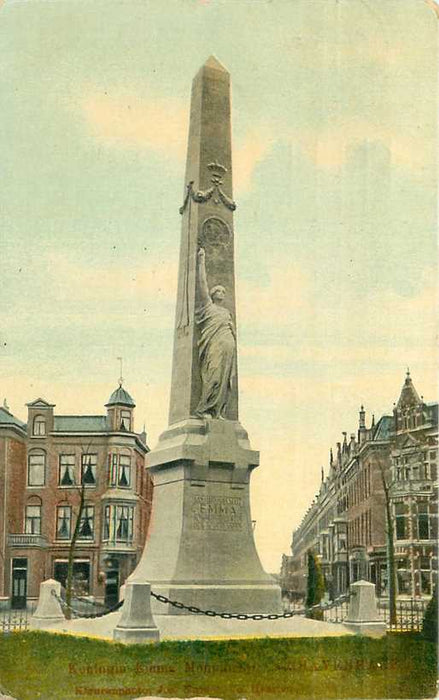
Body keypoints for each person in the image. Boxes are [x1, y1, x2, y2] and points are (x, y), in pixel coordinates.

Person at [195, 247, 236, 419]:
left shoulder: (226, 312)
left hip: (228, 348)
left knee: (225, 381)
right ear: (212, 294)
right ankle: (203, 409)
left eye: (224, 291)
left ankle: (218, 411)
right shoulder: (209, 307)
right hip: (214, 346)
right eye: (219, 291)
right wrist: (201, 260)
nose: (222, 293)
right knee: (213, 378)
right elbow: (202, 284)